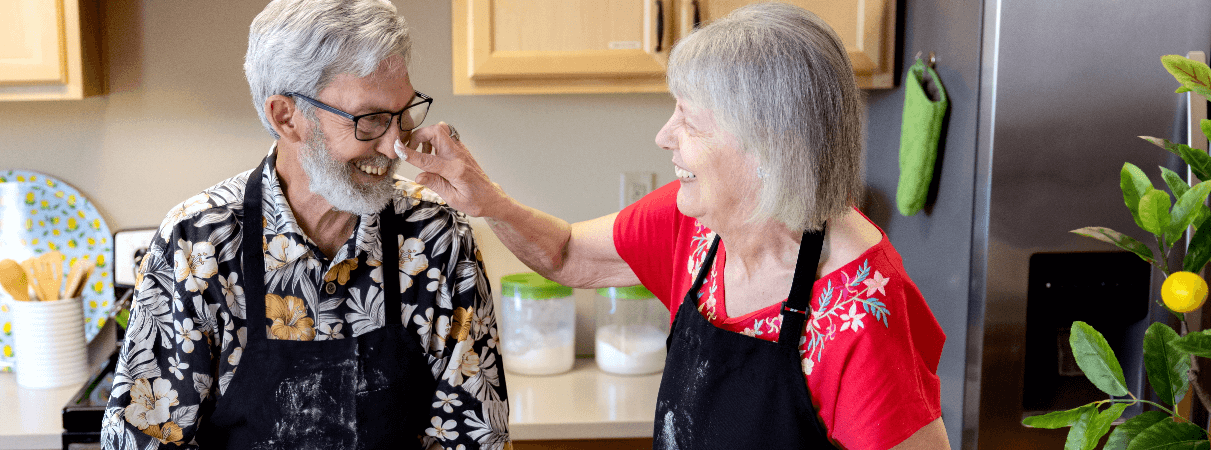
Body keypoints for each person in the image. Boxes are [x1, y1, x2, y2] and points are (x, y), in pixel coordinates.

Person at [399, 3, 947, 449]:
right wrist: (487, 199)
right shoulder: (696, 223)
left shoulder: (860, 313)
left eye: (689, 118)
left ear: (769, 147)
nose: (664, 136)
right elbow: (566, 255)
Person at [101, 1, 508, 449]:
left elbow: (475, 437)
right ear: (285, 116)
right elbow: (145, 441)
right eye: (370, 119)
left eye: (404, 113)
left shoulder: (437, 236)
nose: (396, 146)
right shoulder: (198, 244)